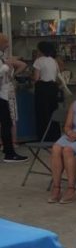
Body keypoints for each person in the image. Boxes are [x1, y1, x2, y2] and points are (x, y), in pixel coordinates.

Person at [0, 33, 28, 162]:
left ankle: (8, 149)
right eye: (5, 42)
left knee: (7, 123)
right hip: (3, 95)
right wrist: (6, 67)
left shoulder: (3, 57)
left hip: (6, 93)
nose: (7, 44)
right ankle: (9, 153)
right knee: (6, 123)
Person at [33, 41, 60, 141]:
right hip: (53, 88)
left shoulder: (38, 61)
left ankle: (44, 137)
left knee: (42, 112)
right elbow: (56, 76)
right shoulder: (53, 61)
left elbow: (36, 78)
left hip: (42, 88)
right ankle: (55, 135)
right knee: (53, 111)